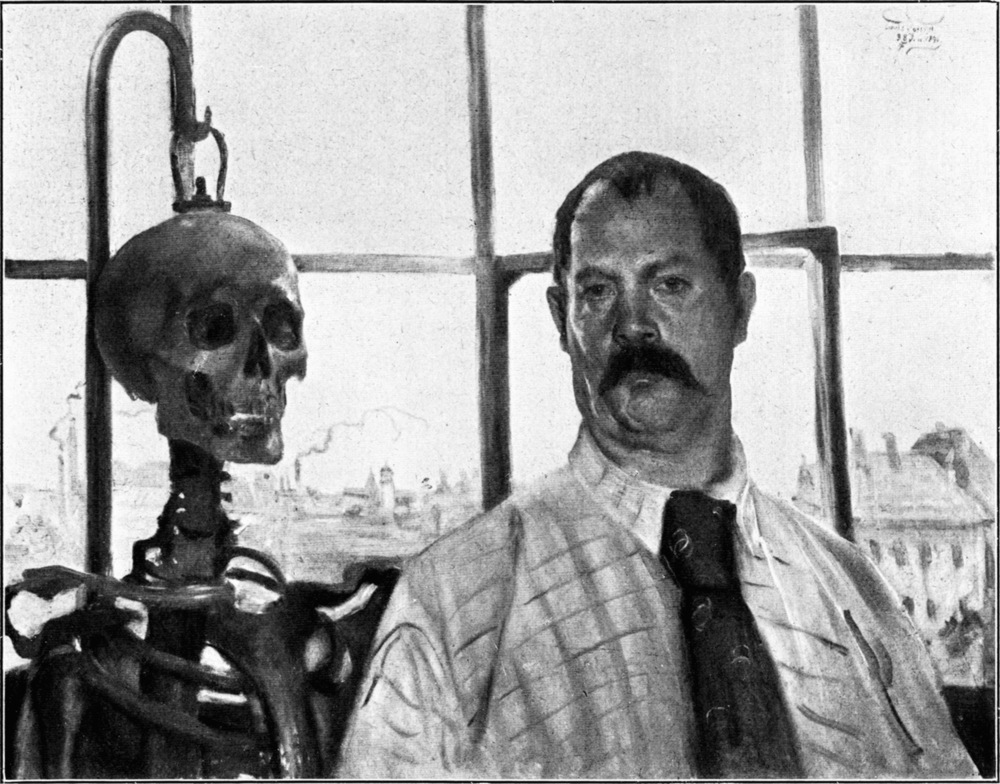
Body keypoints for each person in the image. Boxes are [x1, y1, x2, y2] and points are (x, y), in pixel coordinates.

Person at [335, 152, 976, 778]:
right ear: (562, 320)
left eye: (669, 285)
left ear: (740, 307)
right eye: (597, 291)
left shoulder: (852, 592)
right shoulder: (453, 602)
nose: (633, 325)